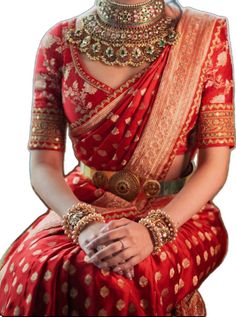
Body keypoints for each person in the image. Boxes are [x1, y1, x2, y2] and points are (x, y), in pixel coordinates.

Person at [0, 0, 235, 315]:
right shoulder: (59, 41)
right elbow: (43, 165)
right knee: (37, 264)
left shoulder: (203, 35)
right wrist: (83, 224)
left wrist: (153, 232)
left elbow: (214, 166)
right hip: (81, 205)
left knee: (111, 279)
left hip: (178, 212)